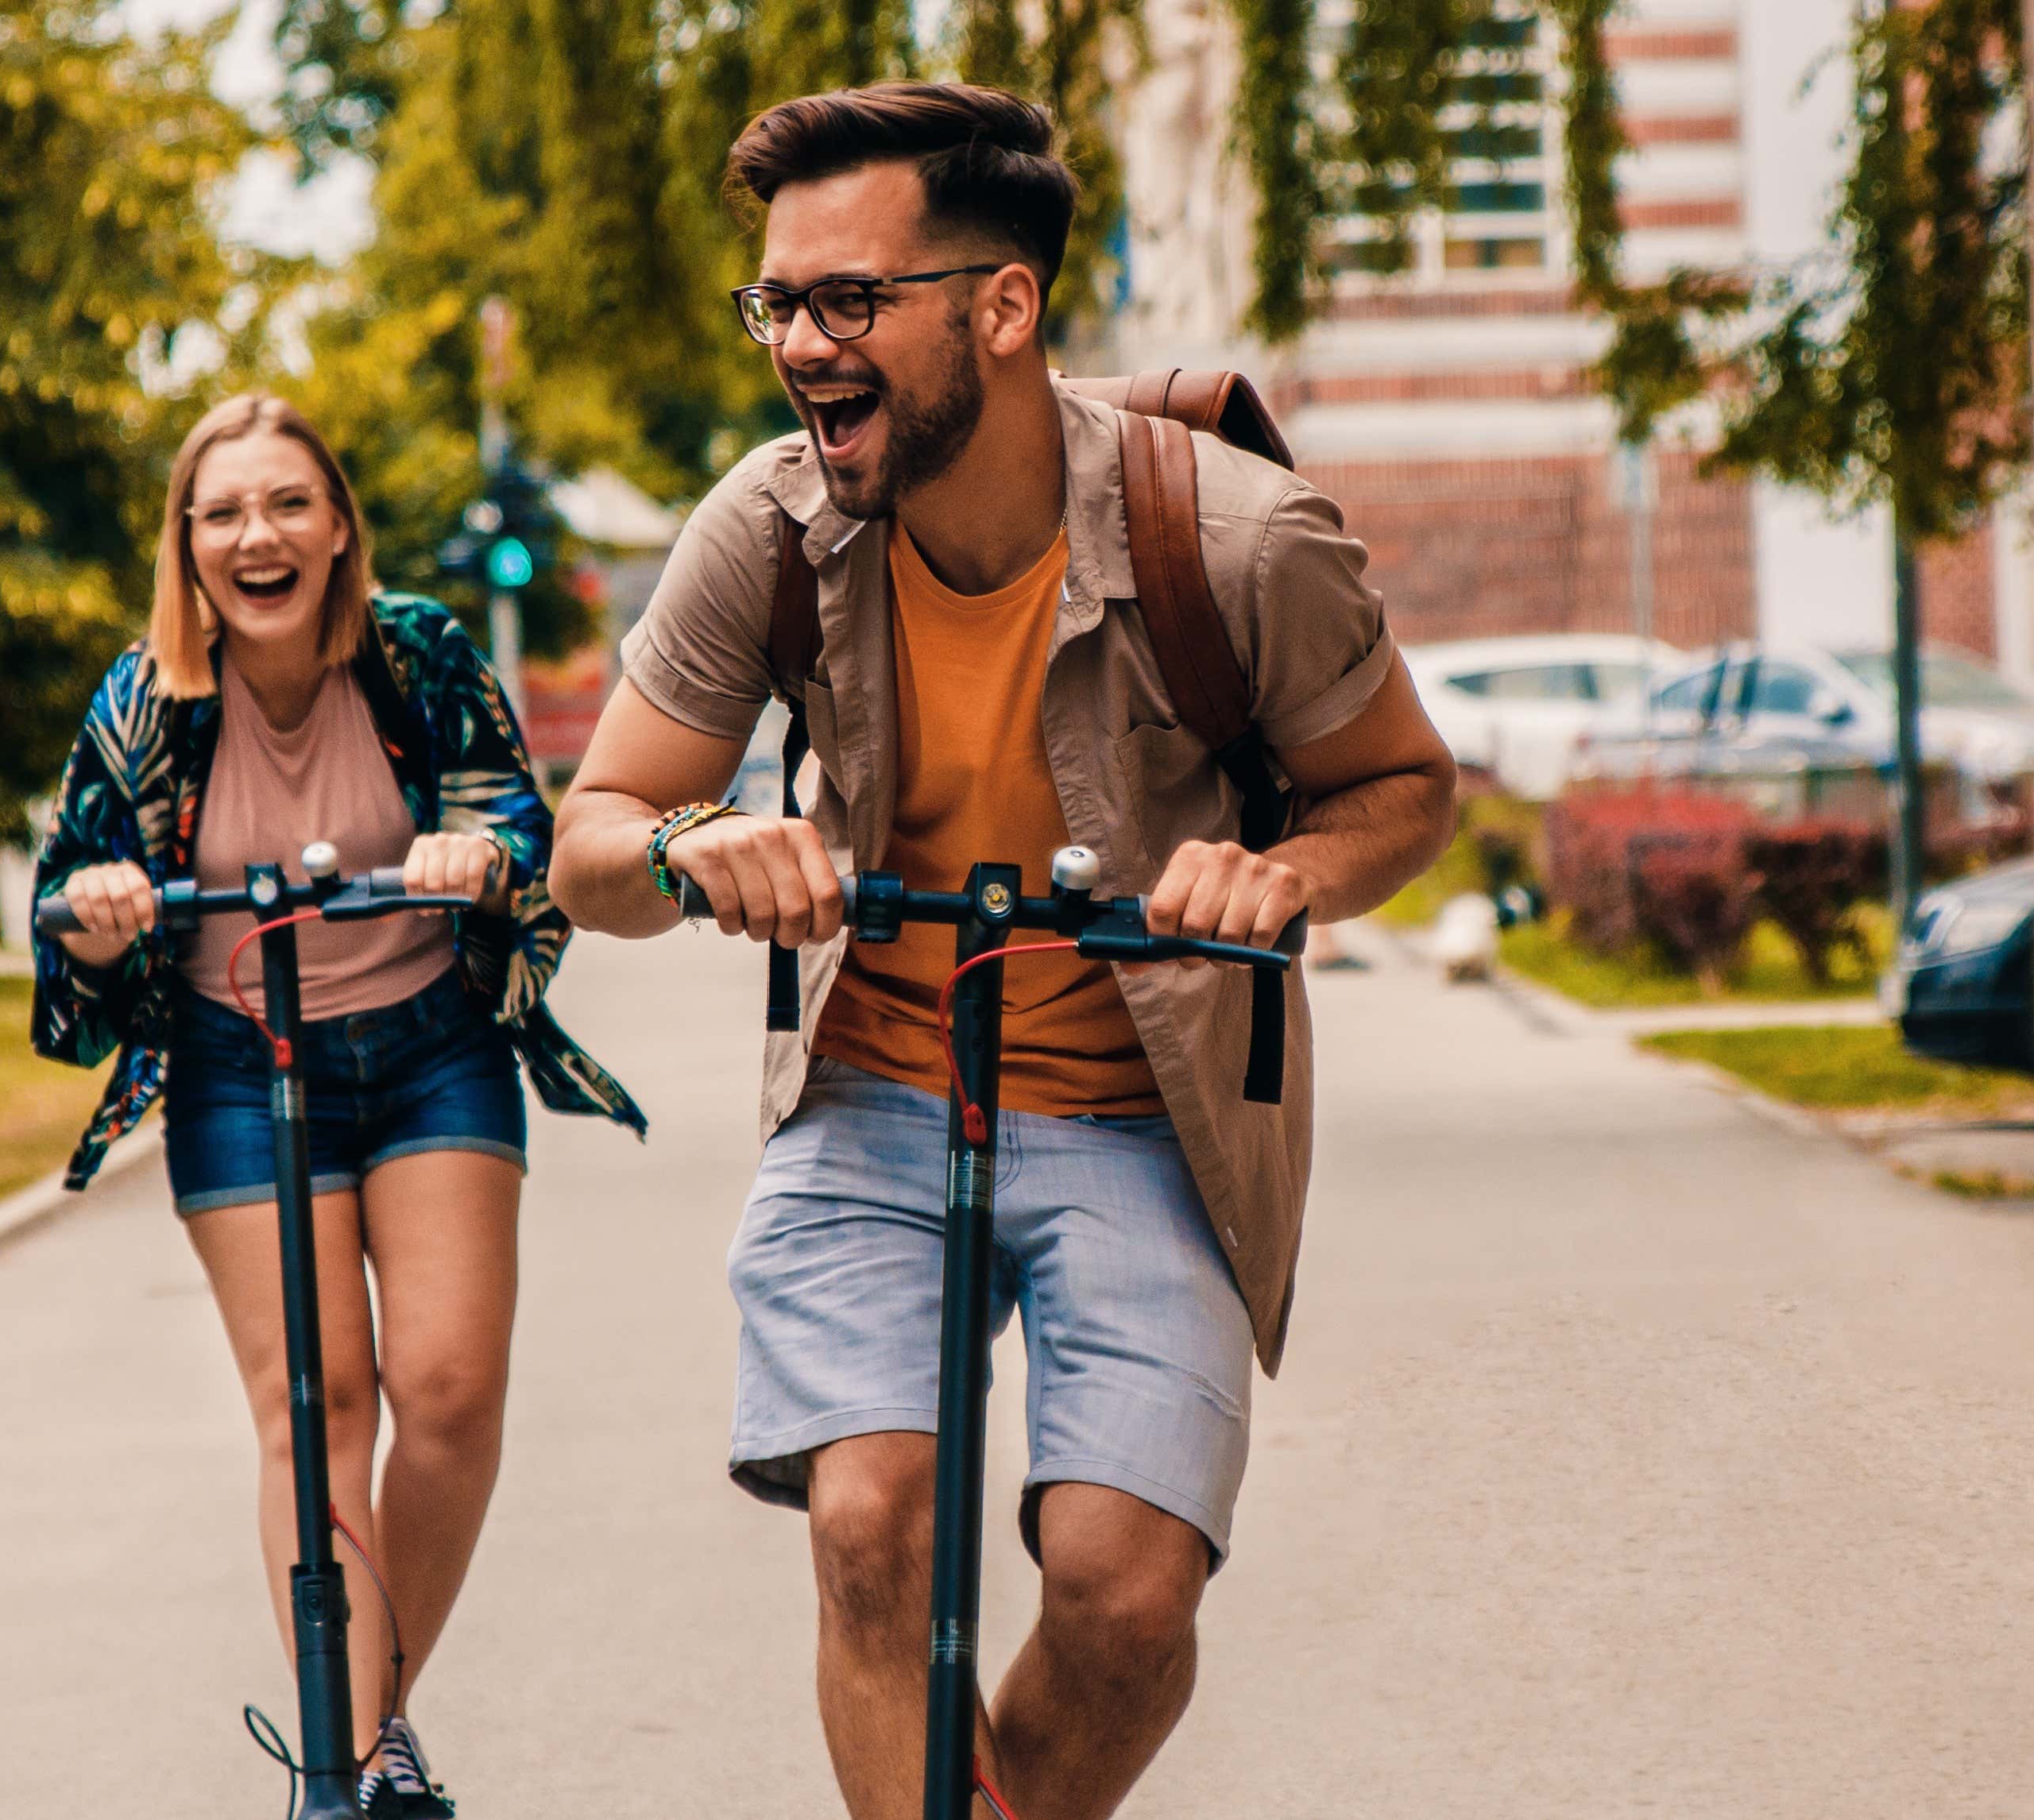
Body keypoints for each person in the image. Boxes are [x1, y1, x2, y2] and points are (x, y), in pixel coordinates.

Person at [551, 83, 1459, 1820]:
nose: (800, 346)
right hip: (876, 1088)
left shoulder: (1242, 538)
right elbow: (590, 842)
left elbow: (1407, 791)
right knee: (873, 1523)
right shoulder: (770, 526)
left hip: (1145, 1112)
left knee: (1126, 1596)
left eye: (846, 301)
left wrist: (1286, 877)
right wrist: (687, 845)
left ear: (1003, 306)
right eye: (777, 306)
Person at [31, 392, 648, 1820]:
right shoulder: (143, 703)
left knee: (446, 1393)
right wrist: (103, 909)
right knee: (316, 1406)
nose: (261, 534)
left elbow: (524, 832)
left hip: (431, 1045)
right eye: (227, 511)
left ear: (339, 528)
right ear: (187, 544)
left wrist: (475, 854)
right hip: (245, 1066)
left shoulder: (418, 656)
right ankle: (350, 1769)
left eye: (289, 504)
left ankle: (365, 1727)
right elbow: (65, 896)